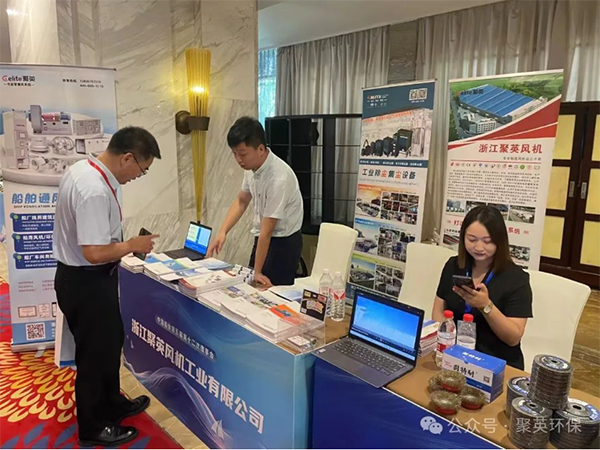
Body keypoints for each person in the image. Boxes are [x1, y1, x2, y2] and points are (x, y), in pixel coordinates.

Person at [53, 127, 161, 447]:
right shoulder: (94, 190)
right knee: (93, 355)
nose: (137, 176)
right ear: (127, 158)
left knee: (109, 343)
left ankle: (112, 402)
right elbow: (94, 252)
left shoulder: (84, 170)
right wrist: (131, 245)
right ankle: (93, 425)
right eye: (141, 170)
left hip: (89, 280)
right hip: (86, 282)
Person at [432, 205, 533, 369]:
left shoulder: (517, 279)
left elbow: (513, 337)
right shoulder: (453, 266)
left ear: (499, 241)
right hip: (454, 357)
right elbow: (438, 311)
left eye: (487, 241)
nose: (479, 247)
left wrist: (486, 306)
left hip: (495, 363)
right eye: (472, 240)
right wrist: (443, 345)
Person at [207, 117, 303, 287]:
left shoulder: (279, 178)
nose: (238, 159)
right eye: (235, 154)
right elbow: (242, 201)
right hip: (262, 236)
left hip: (284, 241)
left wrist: (257, 272)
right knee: (252, 287)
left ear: (260, 149)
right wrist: (223, 232)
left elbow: (267, 231)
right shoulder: (251, 168)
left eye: (242, 154)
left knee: (272, 291)